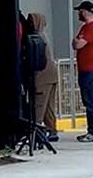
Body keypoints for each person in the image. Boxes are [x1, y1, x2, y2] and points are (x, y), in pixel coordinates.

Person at [72, 0, 93, 142]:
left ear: (86, 11)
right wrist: (76, 41)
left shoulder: (92, 27)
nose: (79, 13)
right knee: (88, 100)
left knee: (90, 101)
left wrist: (77, 41)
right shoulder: (85, 28)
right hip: (84, 68)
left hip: (90, 69)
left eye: (80, 10)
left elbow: (78, 44)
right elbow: (75, 43)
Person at [28, 13, 59, 142]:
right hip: (52, 74)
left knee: (39, 105)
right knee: (49, 106)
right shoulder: (44, 36)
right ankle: (52, 130)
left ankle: (36, 132)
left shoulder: (35, 38)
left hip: (42, 76)